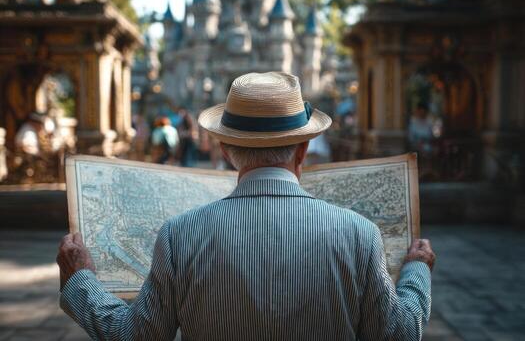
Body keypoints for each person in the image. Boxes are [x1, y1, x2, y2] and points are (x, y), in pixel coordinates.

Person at [57, 72, 435, 340]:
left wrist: (80, 279)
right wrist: (416, 272)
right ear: (303, 148)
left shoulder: (179, 235)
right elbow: (399, 334)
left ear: (224, 148)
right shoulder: (360, 233)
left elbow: (135, 336)